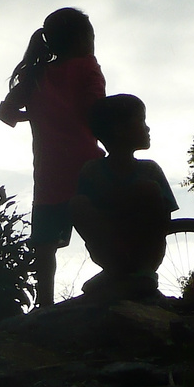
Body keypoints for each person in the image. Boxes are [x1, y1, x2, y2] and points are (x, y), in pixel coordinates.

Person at [0, 7, 105, 308]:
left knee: (44, 245)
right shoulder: (87, 67)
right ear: (83, 38)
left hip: (49, 172)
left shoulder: (35, 75)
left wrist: (33, 114)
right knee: (99, 230)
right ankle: (117, 278)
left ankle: (44, 305)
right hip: (86, 166)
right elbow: (96, 110)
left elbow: (4, 113)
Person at [70, 94, 177, 301]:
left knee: (149, 189)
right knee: (78, 203)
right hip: (109, 242)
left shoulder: (150, 170)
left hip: (145, 243)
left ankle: (145, 271)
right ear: (120, 130)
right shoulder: (92, 171)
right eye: (141, 121)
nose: (147, 129)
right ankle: (114, 270)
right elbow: (84, 213)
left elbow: (164, 219)